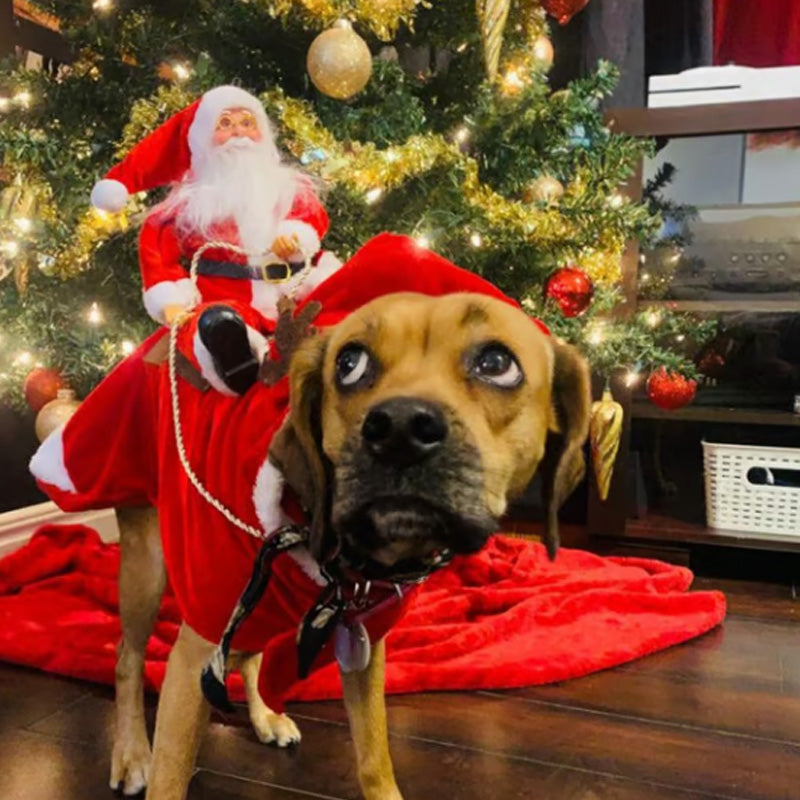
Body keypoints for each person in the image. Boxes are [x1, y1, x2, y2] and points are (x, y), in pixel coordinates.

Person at [90, 84, 340, 395]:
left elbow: (312, 217)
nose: (239, 132)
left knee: (332, 303)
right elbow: (157, 250)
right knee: (203, 324)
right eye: (225, 124)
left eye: (247, 123)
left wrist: (294, 238)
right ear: (202, 140)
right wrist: (169, 301)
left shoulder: (288, 189)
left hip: (291, 293)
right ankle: (234, 359)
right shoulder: (189, 206)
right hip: (224, 297)